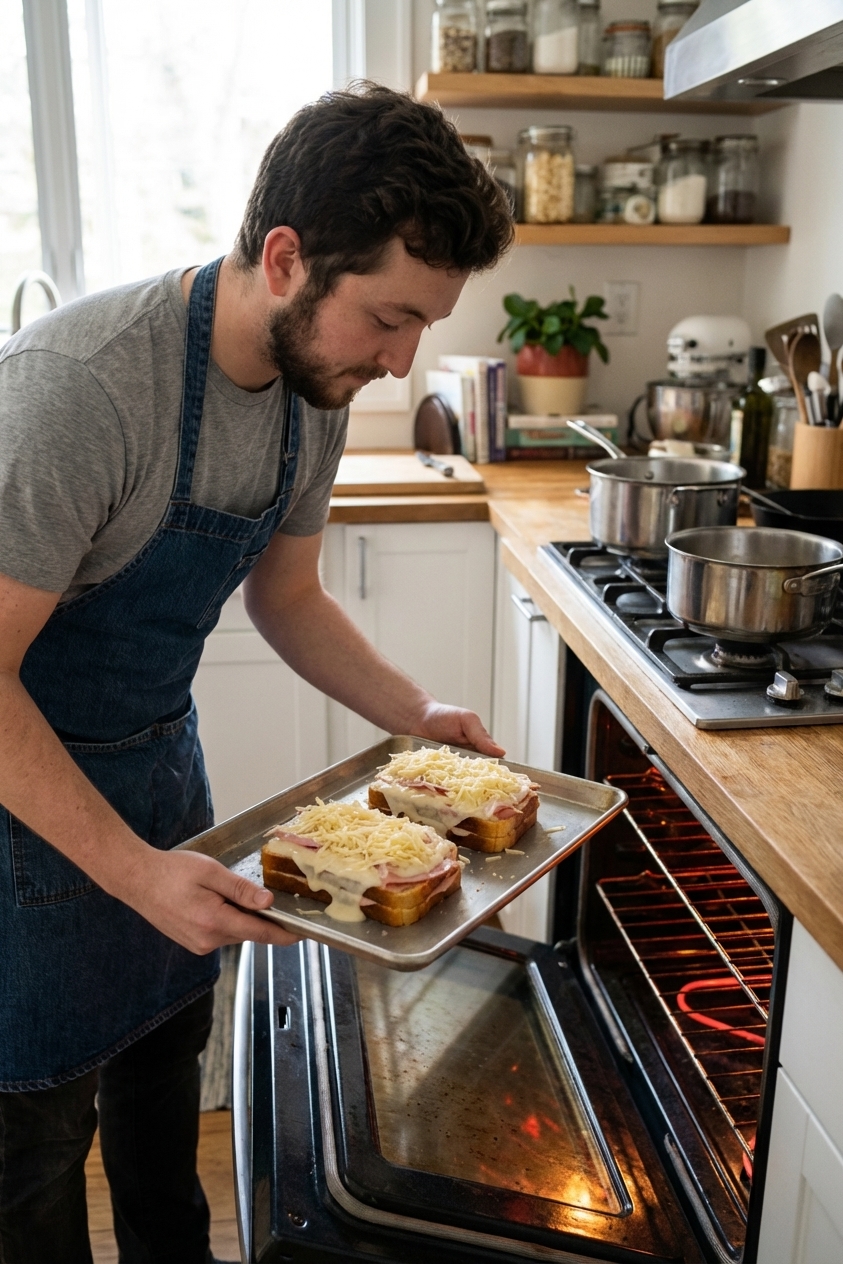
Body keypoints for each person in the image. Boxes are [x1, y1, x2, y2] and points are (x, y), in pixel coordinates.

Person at [0, 83, 513, 1263]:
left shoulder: (313, 389)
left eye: (423, 325)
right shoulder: (81, 391)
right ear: (285, 258)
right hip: (27, 821)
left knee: (161, 1112)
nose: (403, 360)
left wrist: (422, 713)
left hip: (164, 778)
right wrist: (131, 871)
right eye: (389, 317)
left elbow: (287, 598)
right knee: (32, 1162)